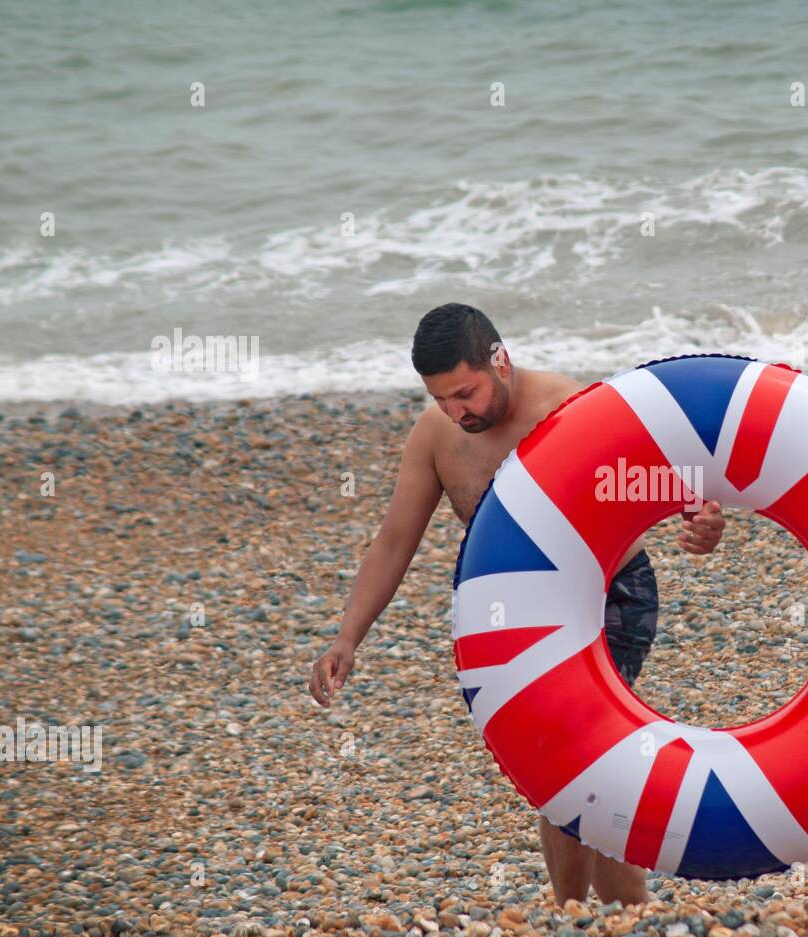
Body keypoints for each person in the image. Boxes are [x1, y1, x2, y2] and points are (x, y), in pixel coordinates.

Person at [308, 303, 726, 906]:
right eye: (442, 398)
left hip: (611, 596)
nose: (458, 412)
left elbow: (683, 492)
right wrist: (347, 636)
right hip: (515, 611)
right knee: (557, 763)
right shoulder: (436, 436)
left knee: (577, 754)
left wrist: (705, 524)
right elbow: (395, 540)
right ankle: (597, 918)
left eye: (466, 392)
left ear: (499, 361)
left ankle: (592, 915)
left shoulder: (573, 407)